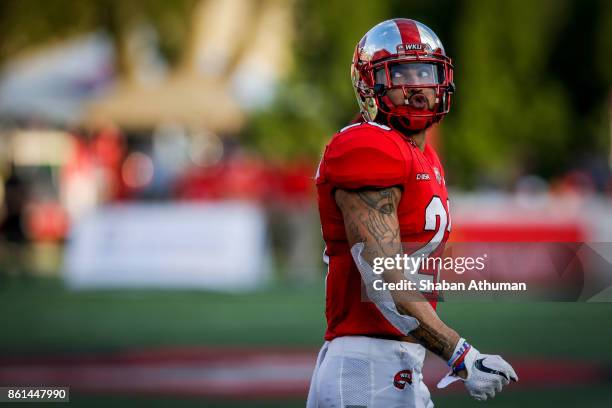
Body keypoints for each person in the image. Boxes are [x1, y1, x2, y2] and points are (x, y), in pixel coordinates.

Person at [307, 18, 517, 407]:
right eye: (402, 75)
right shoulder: (367, 146)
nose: (419, 87)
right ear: (371, 85)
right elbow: (384, 279)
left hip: (394, 367)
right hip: (365, 369)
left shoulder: (425, 156)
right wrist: (461, 354)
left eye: (427, 72)